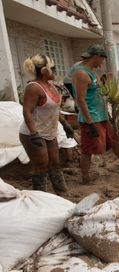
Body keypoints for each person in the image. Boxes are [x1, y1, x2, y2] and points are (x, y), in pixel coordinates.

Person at [71, 44, 119, 184]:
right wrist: (90, 122)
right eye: (102, 59)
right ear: (96, 56)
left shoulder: (90, 72)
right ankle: (85, 177)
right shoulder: (81, 73)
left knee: (114, 140)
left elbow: (94, 92)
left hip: (100, 115)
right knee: (87, 149)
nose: (102, 63)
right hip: (91, 117)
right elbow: (80, 100)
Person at [18, 54, 67, 192]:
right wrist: (34, 134)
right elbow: (27, 111)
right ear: (44, 70)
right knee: (41, 166)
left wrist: (65, 124)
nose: (55, 71)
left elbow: (54, 110)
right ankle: (39, 199)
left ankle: (61, 192)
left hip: (50, 132)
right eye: (53, 68)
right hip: (33, 133)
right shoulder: (33, 87)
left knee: (55, 163)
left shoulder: (51, 86)